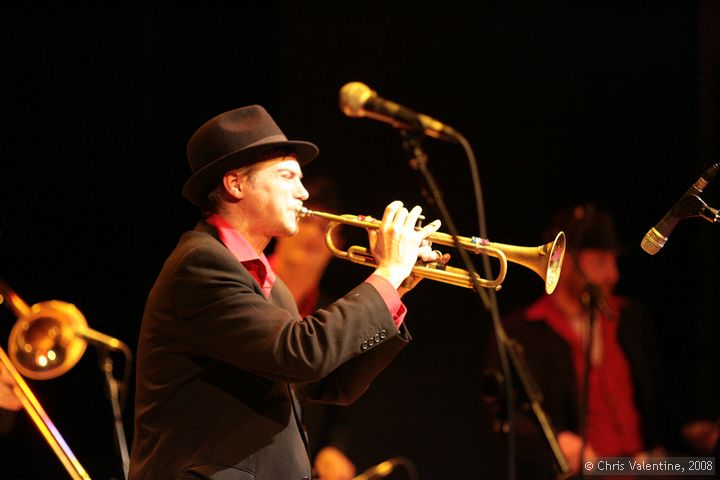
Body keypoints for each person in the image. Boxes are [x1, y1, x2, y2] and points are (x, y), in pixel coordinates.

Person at [128, 105, 445, 480]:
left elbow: (332, 383)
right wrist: (387, 273)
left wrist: (397, 290)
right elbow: (302, 354)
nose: (303, 192)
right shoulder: (200, 263)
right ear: (236, 184)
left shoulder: (269, 285)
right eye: (287, 176)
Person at [494, 204, 667, 477]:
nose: (614, 275)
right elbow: (505, 414)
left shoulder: (631, 318)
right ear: (565, 260)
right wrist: (554, 440)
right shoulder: (522, 330)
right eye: (600, 262)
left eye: (613, 261)